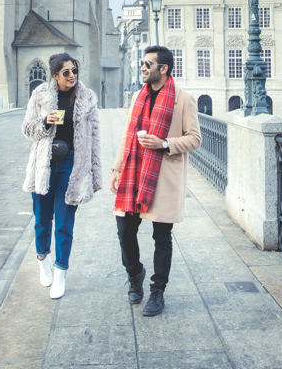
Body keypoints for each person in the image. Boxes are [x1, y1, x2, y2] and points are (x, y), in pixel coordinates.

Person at [110, 45, 201, 316]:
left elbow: (195, 138)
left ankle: (157, 291)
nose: (142, 67)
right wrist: (117, 168)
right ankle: (135, 274)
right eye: (142, 63)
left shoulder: (183, 99)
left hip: (163, 175)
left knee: (162, 237)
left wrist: (163, 143)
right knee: (125, 230)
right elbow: (128, 135)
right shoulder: (138, 96)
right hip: (133, 172)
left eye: (147, 64)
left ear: (164, 68)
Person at [22, 53, 103, 299]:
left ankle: (60, 272)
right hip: (44, 163)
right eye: (66, 72)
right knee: (42, 220)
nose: (72, 76)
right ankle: (42, 259)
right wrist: (45, 122)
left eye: (74, 70)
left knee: (65, 223)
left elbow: (95, 137)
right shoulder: (40, 96)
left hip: (71, 164)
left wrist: (96, 175)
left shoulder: (87, 97)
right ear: (55, 75)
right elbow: (27, 129)